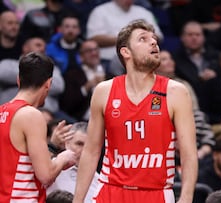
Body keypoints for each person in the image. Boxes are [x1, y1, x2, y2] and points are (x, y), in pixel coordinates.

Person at [73, 20, 198, 203]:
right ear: (126, 52)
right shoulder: (104, 91)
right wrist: (77, 200)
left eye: (154, 39)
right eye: (143, 39)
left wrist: (186, 198)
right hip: (110, 191)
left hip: (156, 193)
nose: (154, 42)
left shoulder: (176, 92)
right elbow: (91, 151)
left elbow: (188, 153)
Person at [0, 52, 76, 202]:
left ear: (18, 81)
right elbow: (46, 175)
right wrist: (63, 157)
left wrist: (52, 146)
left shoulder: (2, 111)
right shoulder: (31, 115)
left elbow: (17, 163)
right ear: (48, 83)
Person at [47, 122, 99, 203]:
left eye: (88, 146)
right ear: (67, 143)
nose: (83, 151)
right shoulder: (49, 169)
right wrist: (52, 145)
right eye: (79, 144)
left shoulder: (99, 181)